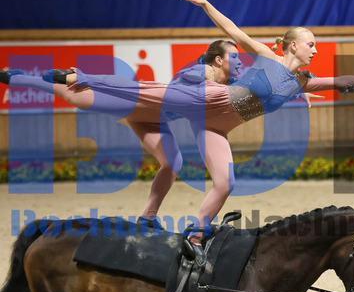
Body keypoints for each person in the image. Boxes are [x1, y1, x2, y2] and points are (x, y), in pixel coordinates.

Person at [31, 0, 354, 244]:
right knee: (144, 91)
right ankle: (80, 78)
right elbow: (233, 31)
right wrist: (206, 5)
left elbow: (340, 82)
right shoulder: (269, 56)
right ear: (293, 45)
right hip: (210, 101)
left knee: (225, 183)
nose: (315, 50)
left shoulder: (300, 82)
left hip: (220, 125)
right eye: (311, 44)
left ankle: (196, 234)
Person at [1, 40, 242, 227]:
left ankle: (147, 218)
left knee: (172, 162)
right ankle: (21, 78)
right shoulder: (202, 73)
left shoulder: (225, 84)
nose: (239, 62)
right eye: (234, 57)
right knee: (78, 97)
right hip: (137, 104)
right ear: (218, 60)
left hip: (156, 119)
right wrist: (199, 71)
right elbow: (182, 80)